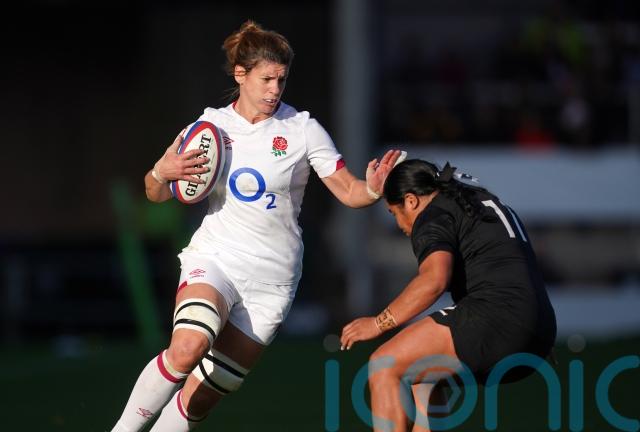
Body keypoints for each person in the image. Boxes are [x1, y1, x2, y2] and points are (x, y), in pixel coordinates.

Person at [111, 20, 403, 432]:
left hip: (273, 280)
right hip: (217, 258)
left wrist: (371, 189)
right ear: (240, 74)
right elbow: (155, 192)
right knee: (188, 347)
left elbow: (349, 190)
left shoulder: (302, 129)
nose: (274, 89)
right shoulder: (209, 128)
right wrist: (161, 173)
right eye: (266, 79)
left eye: (281, 80)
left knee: (203, 395)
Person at [340, 159, 557, 432]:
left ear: (411, 201)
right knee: (423, 377)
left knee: (384, 365)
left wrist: (378, 323)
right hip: (540, 330)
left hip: (497, 319)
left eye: (394, 212)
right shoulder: (476, 199)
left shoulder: (434, 214)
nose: (399, 224)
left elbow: (434, 280)